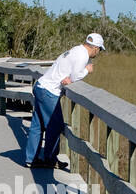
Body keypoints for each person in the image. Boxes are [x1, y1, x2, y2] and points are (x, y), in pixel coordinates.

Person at [23, 32, 104, 168]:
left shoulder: (75, 50)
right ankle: (50, 159)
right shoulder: (83, 55)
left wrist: (71, 78)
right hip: (49, 91)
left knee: (38, 124)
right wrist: (87, 70)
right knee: (55, 125)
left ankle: (31, 159)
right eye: (100, 49)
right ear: (95, 47)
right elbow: (75, 75)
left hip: (40, 85)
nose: (99, 52)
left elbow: (70, 74)